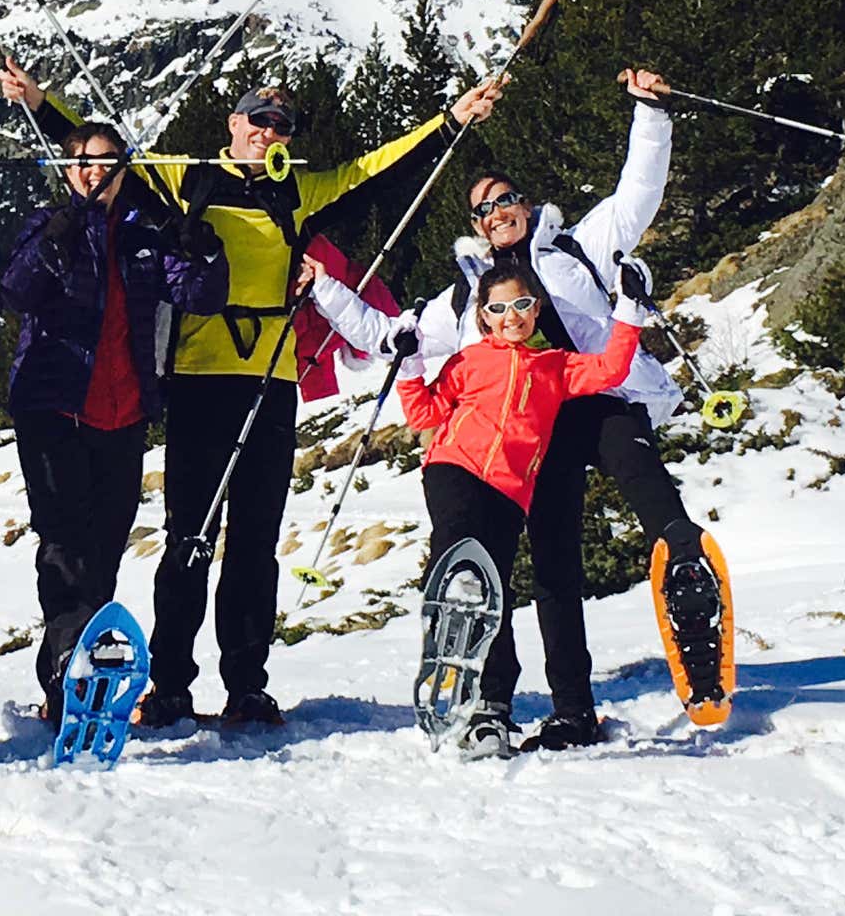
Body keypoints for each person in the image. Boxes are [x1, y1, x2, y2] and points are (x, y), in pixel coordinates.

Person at [0, 56, 502, 726]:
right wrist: (39, 103)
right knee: (190, 536)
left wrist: (450, 121)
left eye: (282, 126)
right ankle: (171, 682)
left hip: (271, 379)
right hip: (199, 377)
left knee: (256, 539)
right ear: (234, 124)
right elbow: (105, 161)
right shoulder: (186, 177)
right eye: (259, 120)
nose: (269, 132)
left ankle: (246, 683)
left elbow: (378, 170)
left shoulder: (300, 190)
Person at [305, 68, 723, 750]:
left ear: (526, 205)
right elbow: (387, 336)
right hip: (537, 436)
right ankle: (570, 710)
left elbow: (636, 195)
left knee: (641, 477)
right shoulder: (464, 300)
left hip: (600, 396)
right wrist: (326, 290)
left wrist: (650, 113)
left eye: (506, 199)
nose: (497, 212)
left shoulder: (577, 246)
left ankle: (684, 564)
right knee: (555, 570)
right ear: (474, 227)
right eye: (483, 209)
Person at [0, 122, 229, 724]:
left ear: (123, 170)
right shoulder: (47, 225)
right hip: (54, 406)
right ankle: (70, 673)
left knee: (103, 550)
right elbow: (17, 290)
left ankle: (75, 676)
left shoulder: (141, 235)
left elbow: (200, 296)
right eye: (82, 162)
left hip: (123, 413)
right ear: (66, 169)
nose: (93, 172)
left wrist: (205, 249)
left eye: (105, 162)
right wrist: (56, 238)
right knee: (63, 544)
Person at [385, 255, 650, 756]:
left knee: (493, 594)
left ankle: (492, 704)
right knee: (461, 551)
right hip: (455, 467)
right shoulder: (467, 362)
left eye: (522, 305)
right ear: (483, 316)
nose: (512, 317)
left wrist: (630, 309)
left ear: (537, 308)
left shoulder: (556, 366)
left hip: (510, 491)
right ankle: (452, 596)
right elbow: (423, 412)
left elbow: (612, 367)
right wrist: (411, 362)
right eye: (499, 308)